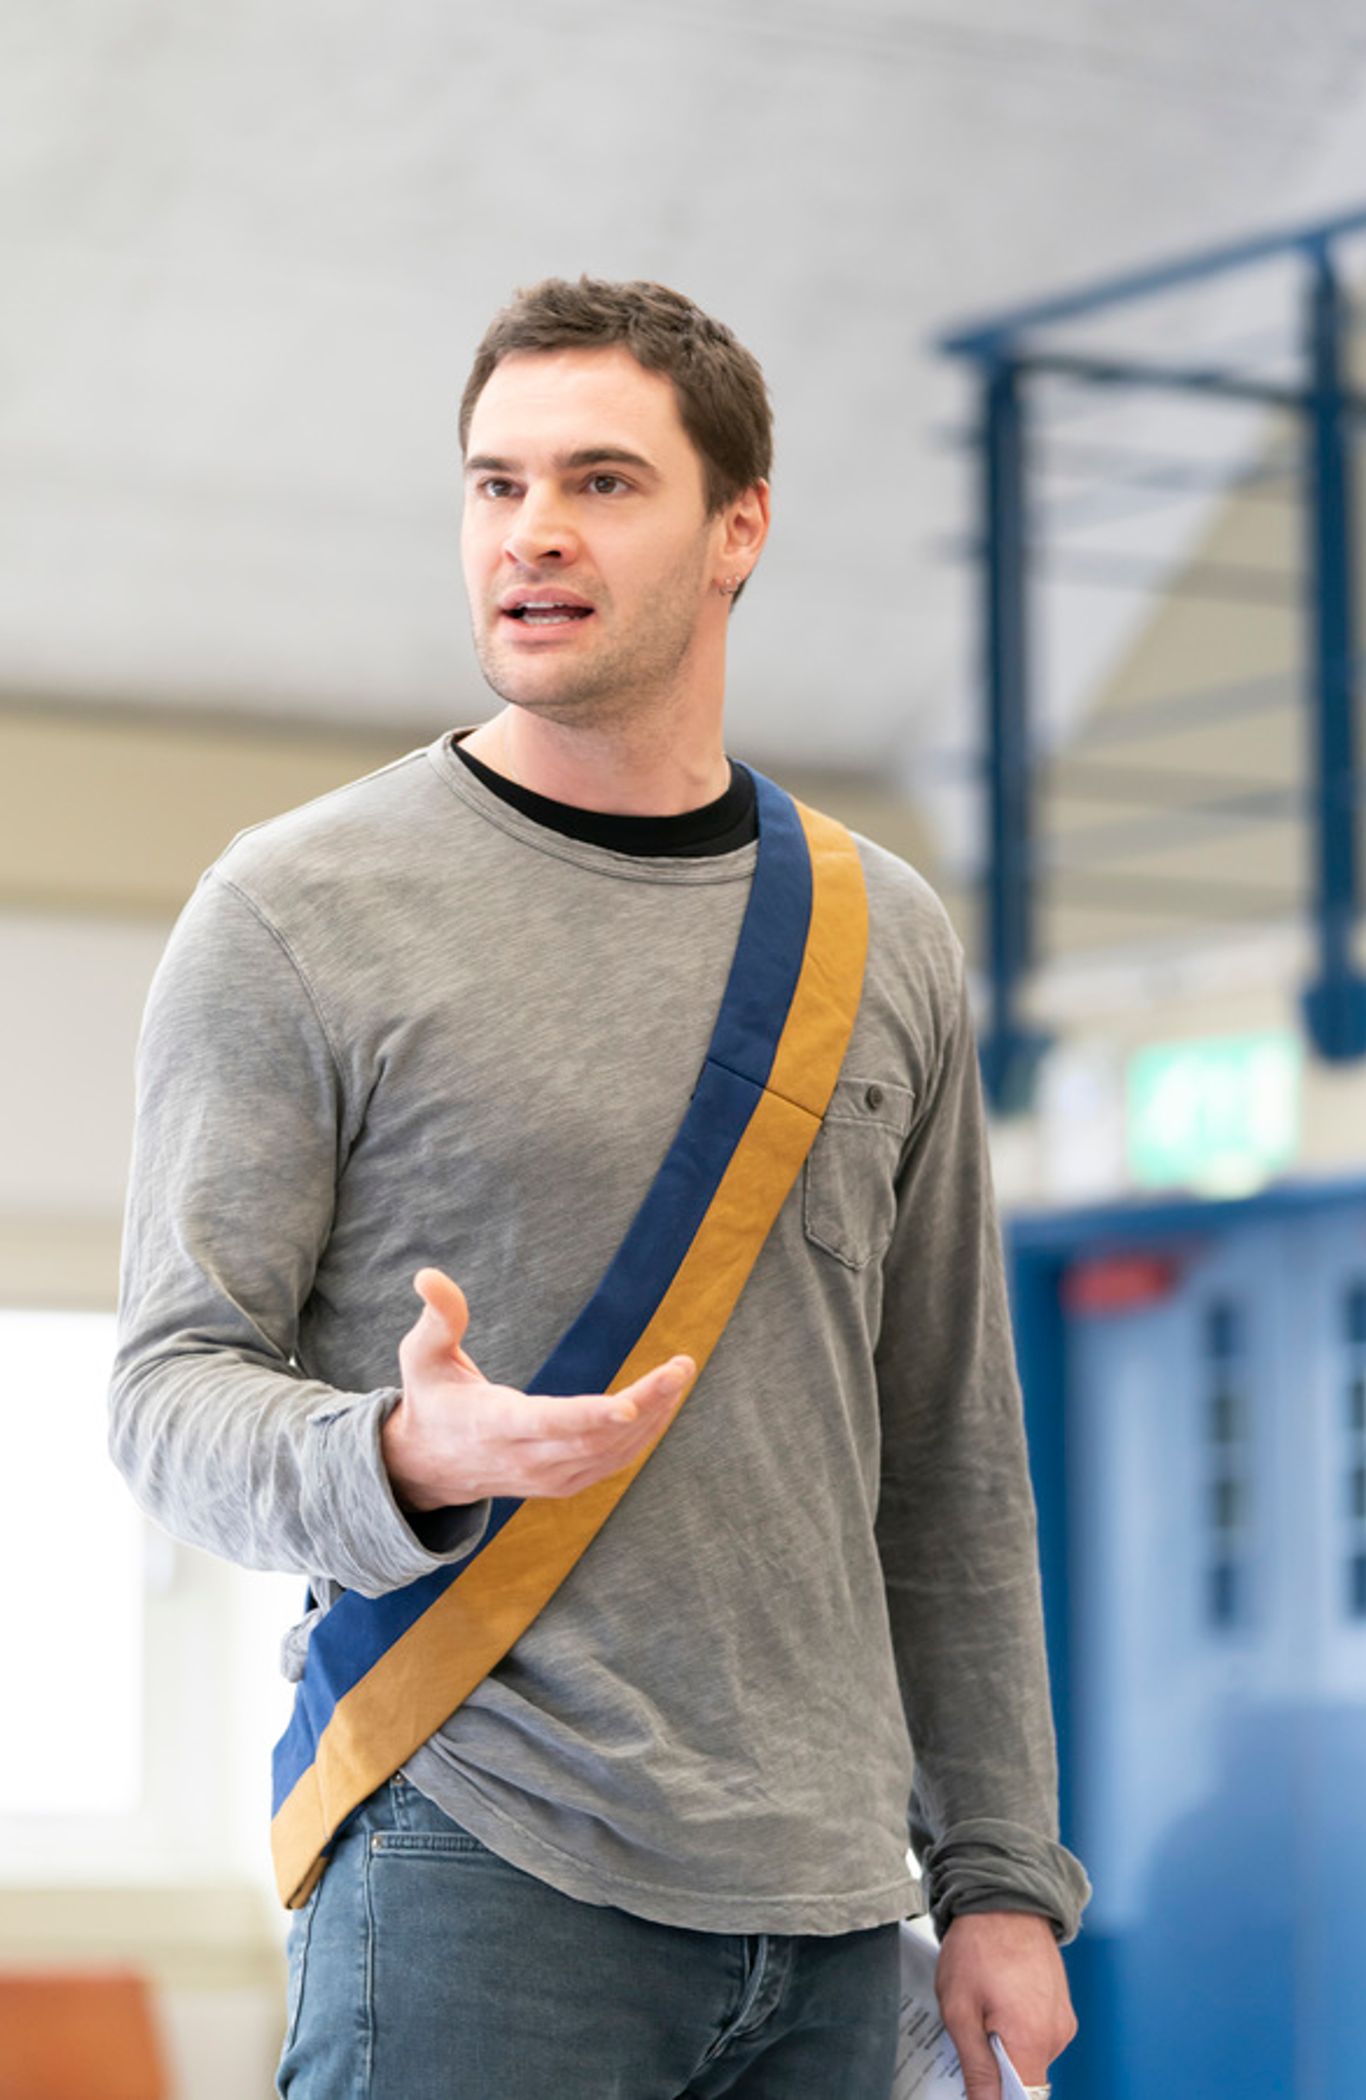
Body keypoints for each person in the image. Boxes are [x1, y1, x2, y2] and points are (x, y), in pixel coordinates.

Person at [110, 276, 1088, 2099]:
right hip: (479, 1861)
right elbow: (165, 1397)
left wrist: (1003, 1880)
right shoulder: (294, 913)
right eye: (493, 486)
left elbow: (953, 1456)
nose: (532, 532)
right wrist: (397, 1461)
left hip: (834, 1910)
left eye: (600, 481)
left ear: (741, 527)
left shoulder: (889, 937)